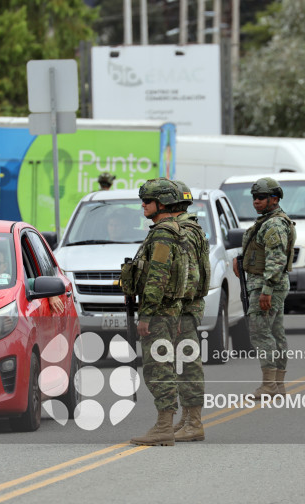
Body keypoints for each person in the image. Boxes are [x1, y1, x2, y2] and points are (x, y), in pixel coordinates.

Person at [122, 178, 191, 446]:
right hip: (168, 310)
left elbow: (157, 277)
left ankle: (164, 427)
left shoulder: (163, 234)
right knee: (163, 366)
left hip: (159, 312)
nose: (143, 205)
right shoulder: (171, 230)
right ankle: (165, 425)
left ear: (162, 203)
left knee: (158, 369)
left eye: (147, 201)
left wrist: (147, 315)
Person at [233, 177, 296, 397]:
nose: (256, 201)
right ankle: (277, 384)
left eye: (261, 197)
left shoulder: (274, 224)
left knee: (261, 333)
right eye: (254, 197)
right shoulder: (268, 221)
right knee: (275, 333)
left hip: (266, 285)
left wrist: (266, 290)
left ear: (274, 199)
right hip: (268, 283)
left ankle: (269, 385)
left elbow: (276, 259)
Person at [170, 180, 209, 442]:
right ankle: (186, 419)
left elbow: (189, 275)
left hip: (184, 308)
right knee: (181, 364)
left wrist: (178, 309)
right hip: (185, 307)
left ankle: (194, 423)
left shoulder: (184, 231)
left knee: (188, 364)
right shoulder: (187, 227)